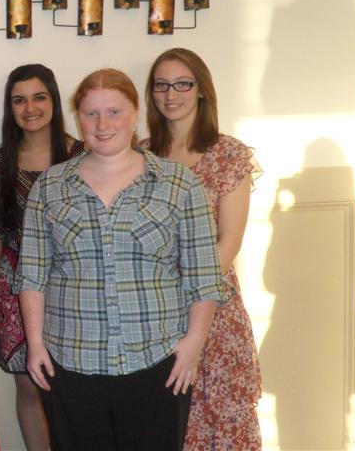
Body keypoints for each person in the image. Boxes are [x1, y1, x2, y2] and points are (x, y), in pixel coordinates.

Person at [16, 68, 229, 451]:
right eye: (91, 113)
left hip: (158, 361)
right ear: (78, 118)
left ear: (135, 113)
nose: (102, 125)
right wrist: (35, 344)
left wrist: (193, 344)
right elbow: (32, 275)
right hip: (71, 361)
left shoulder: (179, 184)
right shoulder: (49, 187)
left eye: (114, 112)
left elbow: (204, 276)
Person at [143, 48, 262, 450]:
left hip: (215, 308)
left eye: (182, 83)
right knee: (169, 419)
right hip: (156, 312)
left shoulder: (228, 154)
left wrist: (192, 296)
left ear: (201, 90)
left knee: (222, 417)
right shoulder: (141, 156)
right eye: (161, 85)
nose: (170, 94)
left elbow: (229, 241)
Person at [0, 64, 79, 451]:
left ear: (54, 100)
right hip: (15, 287)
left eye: (39, 97)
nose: (30, 108)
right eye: (19, 100)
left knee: (69, 390)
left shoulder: (81, 155)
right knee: (29, 389)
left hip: (73, 287)